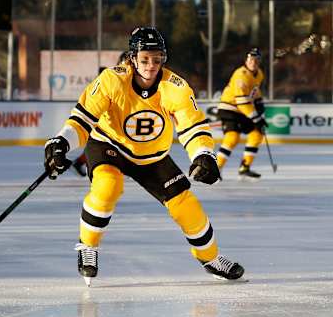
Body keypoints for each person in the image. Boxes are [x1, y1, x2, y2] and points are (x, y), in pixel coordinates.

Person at [44, 26, 244, 286]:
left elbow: (193, 127)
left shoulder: (176, 87)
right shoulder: (111, 80)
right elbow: (82, 120)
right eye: (145, 58)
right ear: (132, 58)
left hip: (153, 156)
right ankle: (88, 246)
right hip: (110, 146)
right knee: (108, 187)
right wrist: (61, 141)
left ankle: (211, 258)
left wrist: (204, 154)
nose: (151, 65)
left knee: (187, 207)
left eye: (157, 59)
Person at [71, 51, 131, 177]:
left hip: (107, 123)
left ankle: (81, 162)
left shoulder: (119, 78)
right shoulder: (112, 79)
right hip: (103, 122)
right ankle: (82, 163)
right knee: (103, 146)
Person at [216, 48, 267, 180]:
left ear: (259, 61)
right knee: (232, 137)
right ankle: (216, 169)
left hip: (242, 110)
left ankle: (245, 167)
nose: (253, 62)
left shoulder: (259, 74)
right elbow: (242, 101)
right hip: (229, 108)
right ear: (246, 60)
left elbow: (254, 91)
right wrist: (257, 118)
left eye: (256, 60)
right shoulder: (241, 75)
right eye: (251, 59)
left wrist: (259, 101)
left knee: (257, 134)